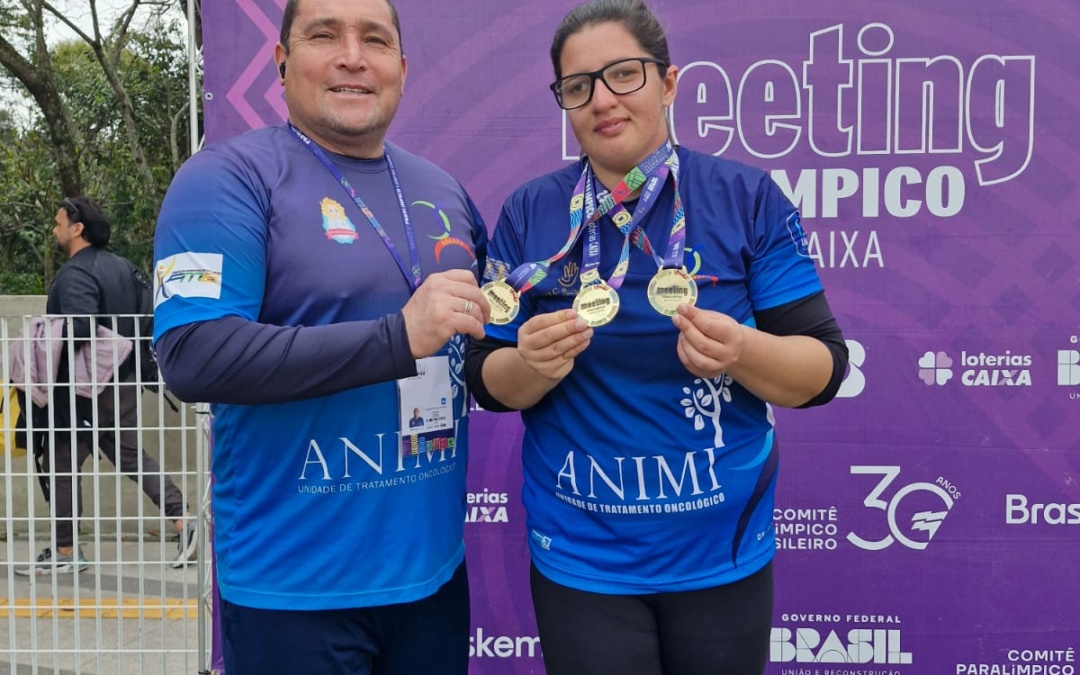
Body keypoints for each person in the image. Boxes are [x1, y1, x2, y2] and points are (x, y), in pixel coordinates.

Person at [464, 1, 849, 673]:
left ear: (669, 83)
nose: (602, 100)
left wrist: (742, 351)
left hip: (719, 552)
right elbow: (486, 378)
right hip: (584, 556)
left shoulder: (747, 197)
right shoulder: (531, 211)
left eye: (624, 75)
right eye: (578, 86)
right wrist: (529, 365)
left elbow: (823, 368)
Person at [151, 0, 489, 672]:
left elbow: (482, 345)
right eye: (323, 35)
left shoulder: (443, 189)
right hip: (291, 590)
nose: (352, 56)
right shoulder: (225, 180)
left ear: (400, 67)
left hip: (433, 579)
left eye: (374, 39)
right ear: (280, 62)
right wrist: (398, 336)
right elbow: (194, 354)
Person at [16, 196, 196, 576]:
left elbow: (80, 327)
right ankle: (185, 521)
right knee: (129, 456)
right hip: (123, 382)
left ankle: (66, 551)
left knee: (61, 464)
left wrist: (41, 335)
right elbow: (147, 318)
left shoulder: (76, 274)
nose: (54, 229)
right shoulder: (125, 269)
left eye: (58, 222)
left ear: (77, 228)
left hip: (83, 390)